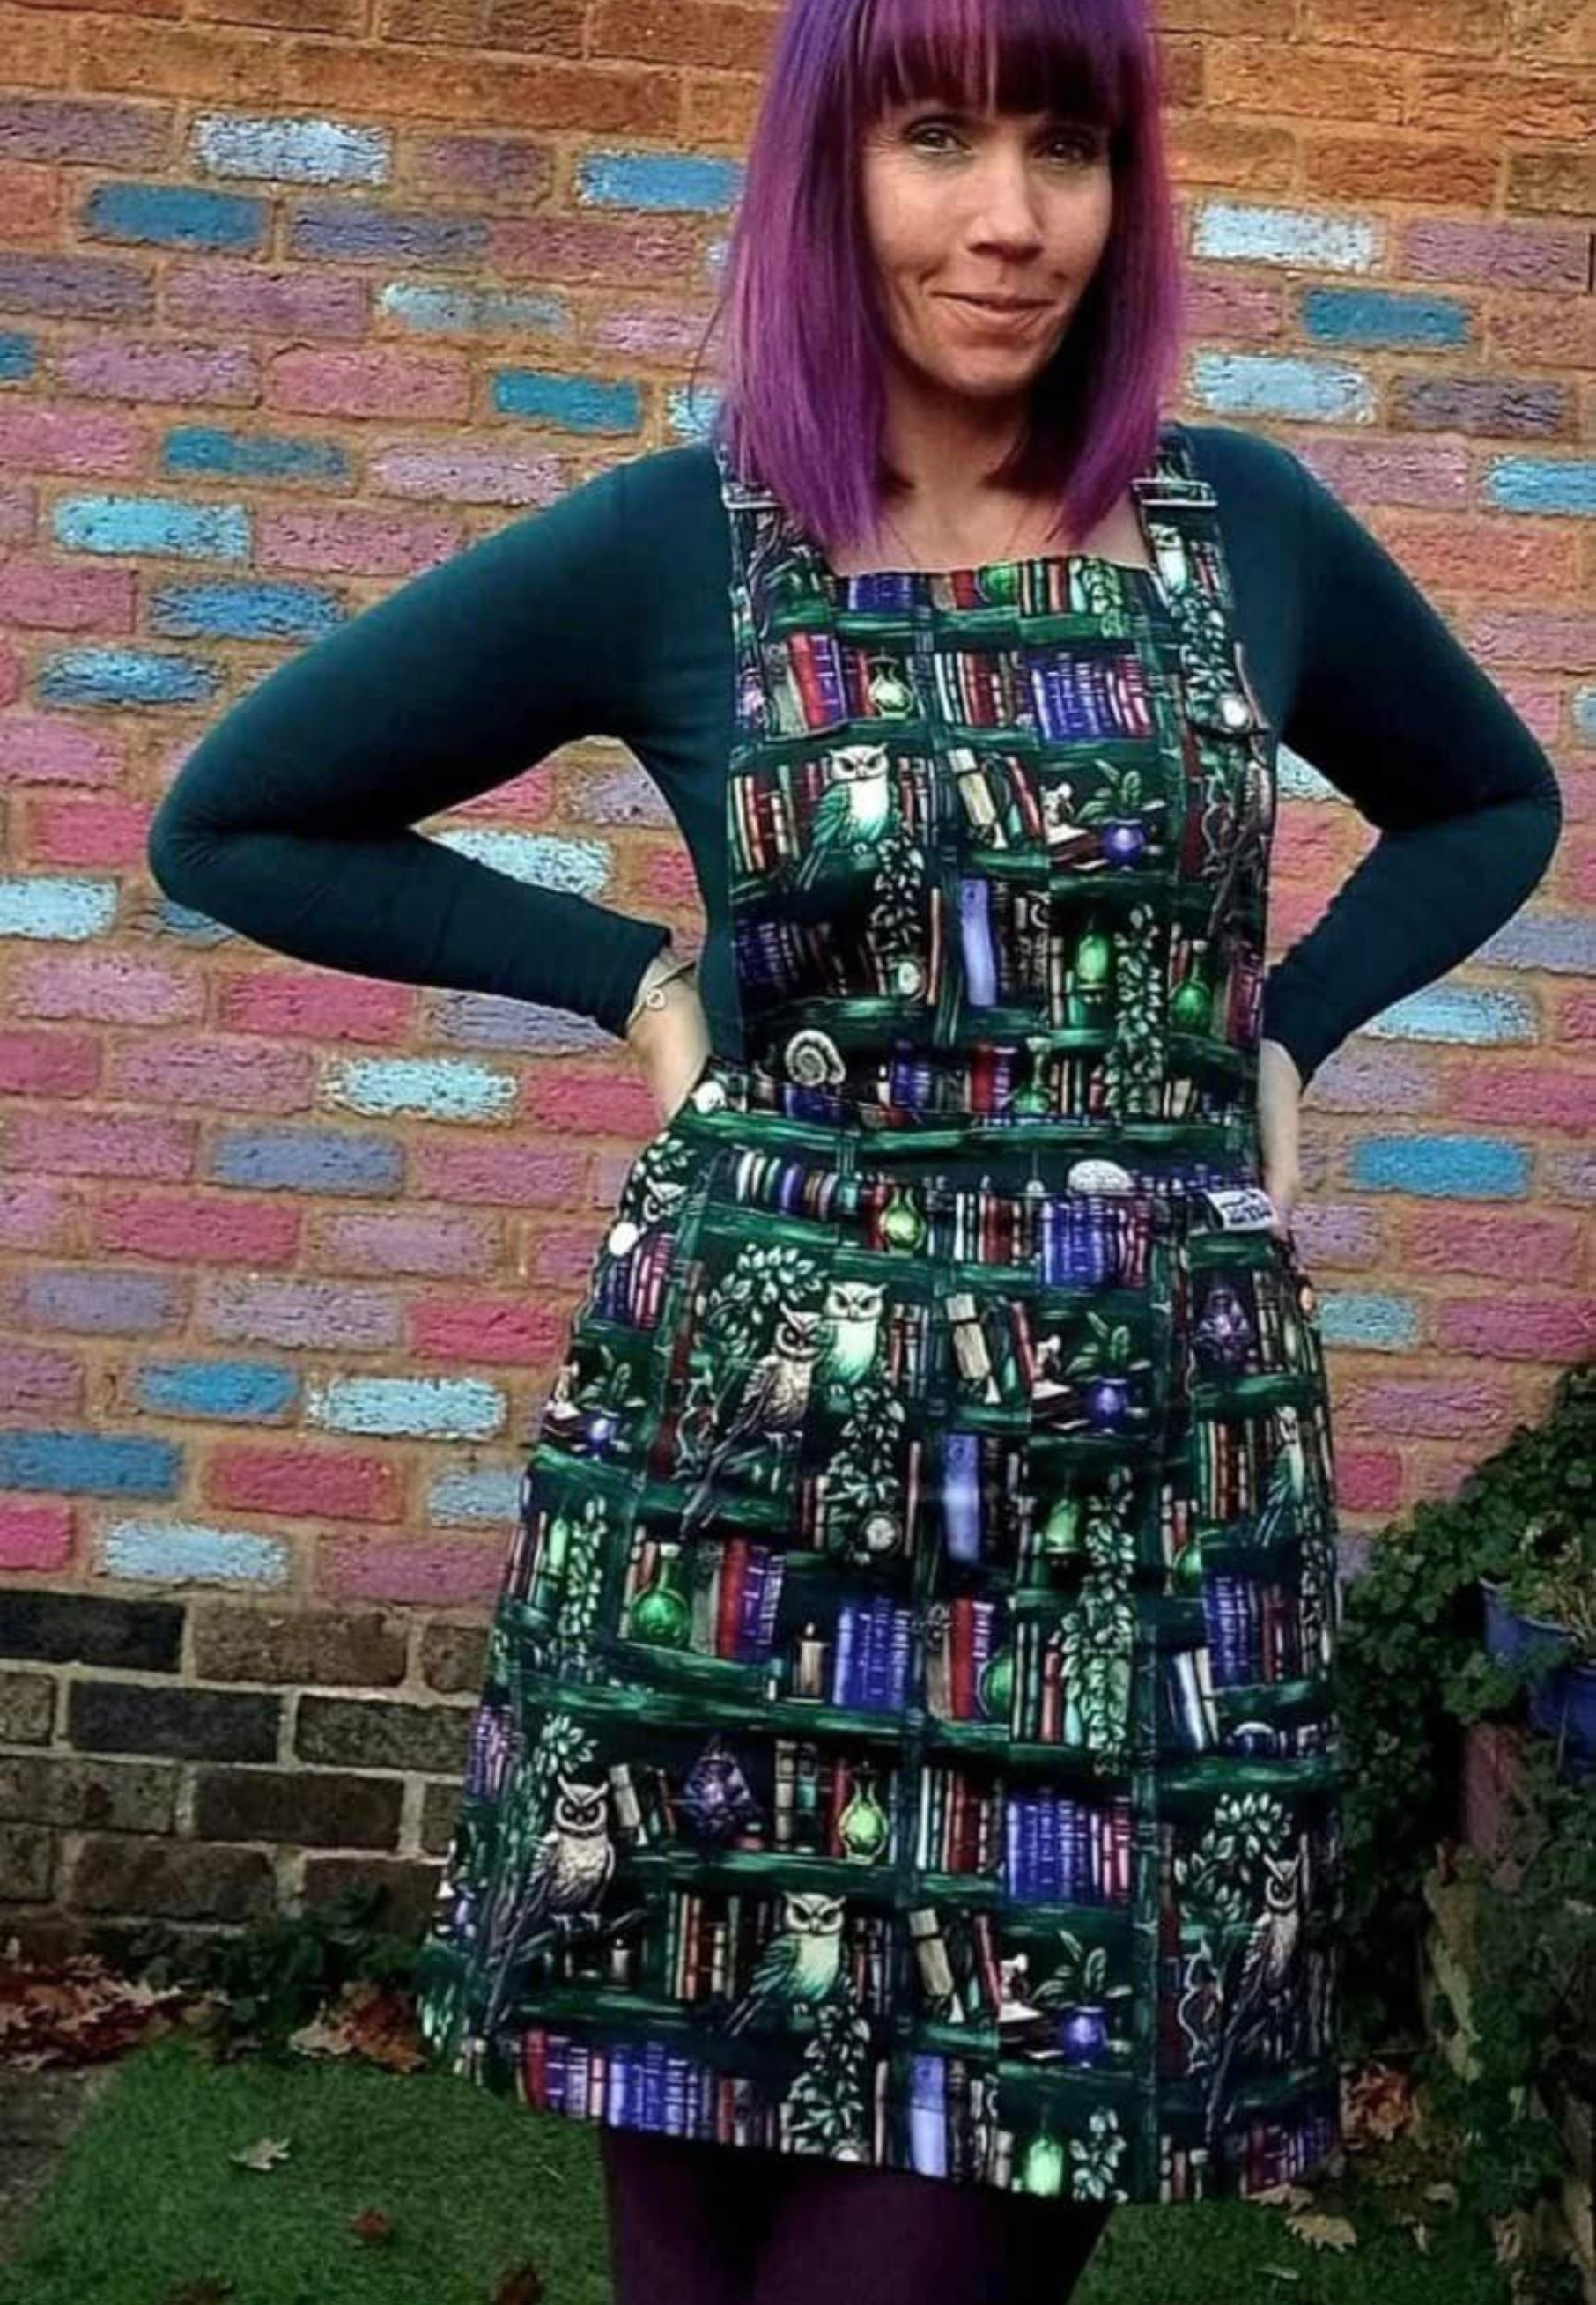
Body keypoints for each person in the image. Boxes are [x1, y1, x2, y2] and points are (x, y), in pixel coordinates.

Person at [146, 0, 1563, 2294]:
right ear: (831, 171)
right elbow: (240, 815)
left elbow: (1490, 796)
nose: (1009, 215)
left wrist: (1283, 1027)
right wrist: (632, 974)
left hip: (1114, 1549)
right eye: (935, 136)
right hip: (732, 1530)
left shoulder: (1244, 535)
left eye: (1065, 147)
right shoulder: (687, 542)